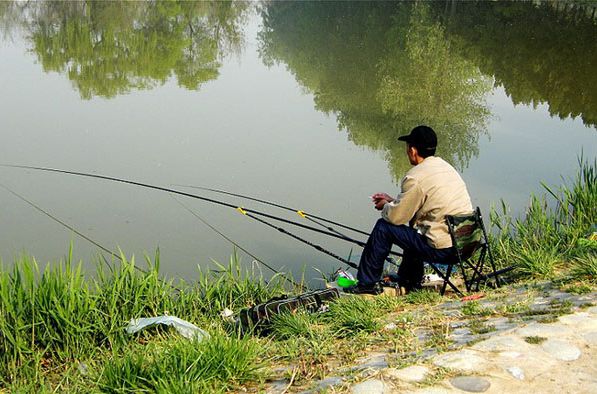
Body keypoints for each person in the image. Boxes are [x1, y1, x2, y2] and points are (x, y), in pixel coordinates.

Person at [346, 125, 473, 295]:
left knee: (383, 228)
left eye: (407, 148)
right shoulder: (445, 167)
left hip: (444, 251)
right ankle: (409, 279)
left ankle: (366, 284)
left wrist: (385, 206)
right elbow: (423, 205)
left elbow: (396, 218)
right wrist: (393, 201)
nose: (407, 152)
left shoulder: (416, 176)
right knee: (415, 233)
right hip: (467, 244)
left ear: (413, 150)